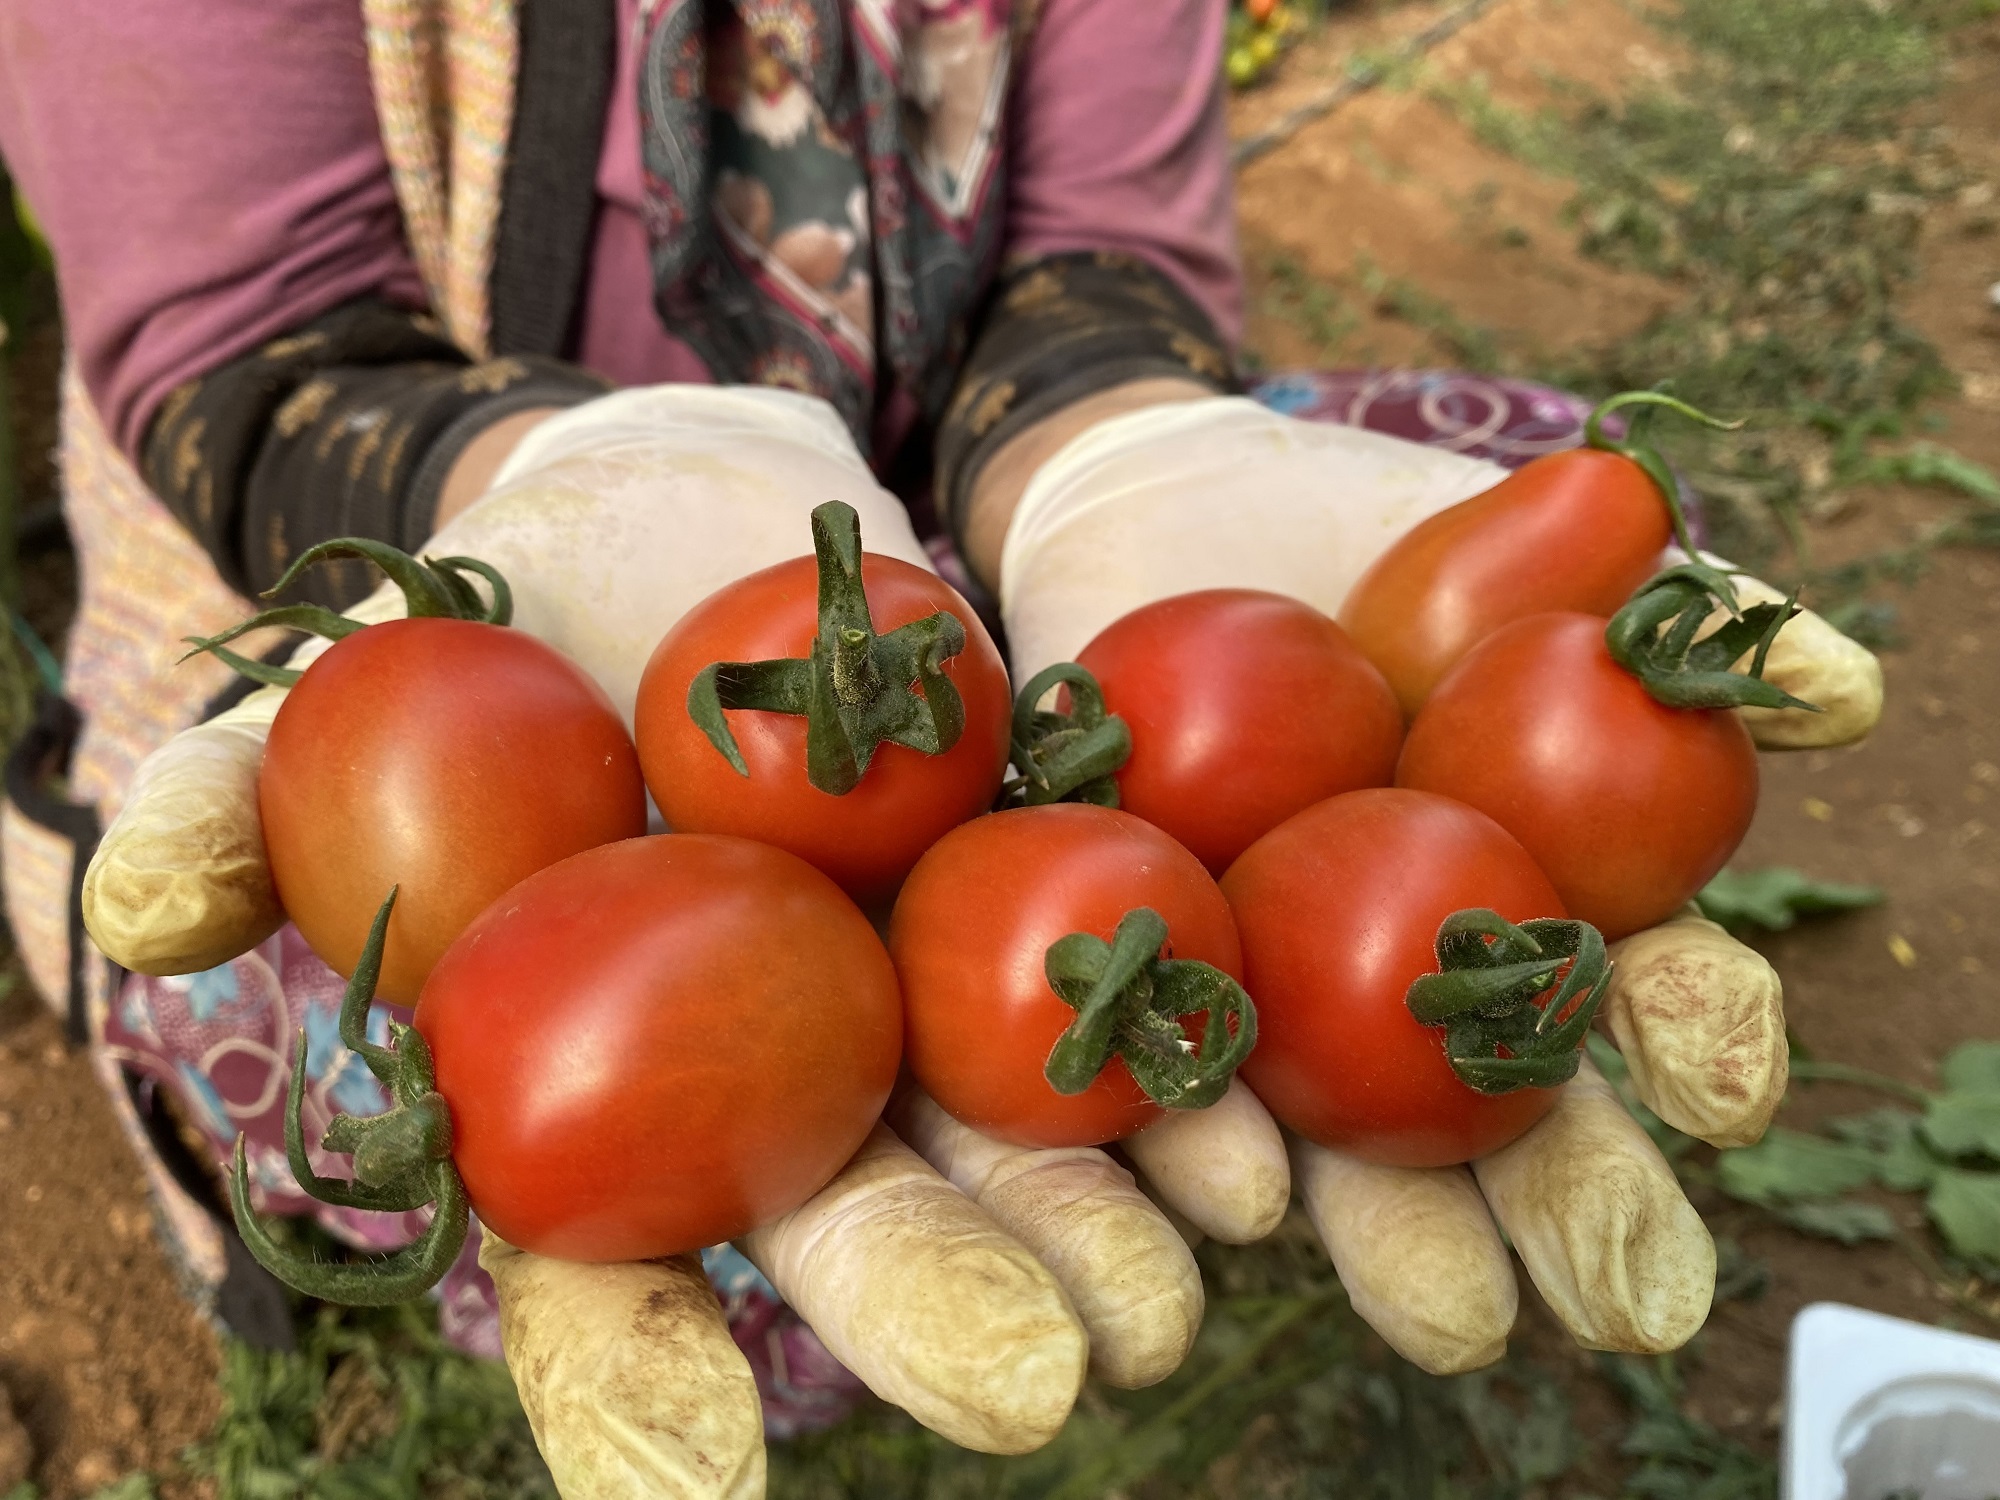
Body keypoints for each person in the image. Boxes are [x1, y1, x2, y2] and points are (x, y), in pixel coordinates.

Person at [0, 0, 1877, 1490]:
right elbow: (253, 335)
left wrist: (1113, 447)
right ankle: (232, 1192)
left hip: (928, 603)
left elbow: (1096, 267)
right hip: (484, 534)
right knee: (275, 938)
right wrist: (535, 479)